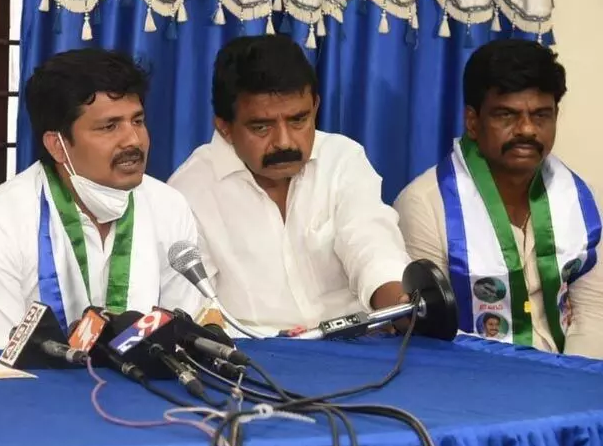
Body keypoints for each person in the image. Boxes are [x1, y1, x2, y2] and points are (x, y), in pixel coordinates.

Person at [0, 49, 205, 350]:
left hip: (143, 389)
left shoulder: (169, 206)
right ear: (57, 145)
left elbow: (181, 337)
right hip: (30, 391)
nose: (134, 141)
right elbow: (2, 358)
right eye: (110, 127)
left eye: (137, 121)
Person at [168, 35, 409, 335]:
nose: (284, 142)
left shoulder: (342, 159)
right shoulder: (189, 191)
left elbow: (372, 246)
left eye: (299, 120)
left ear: (315, 106)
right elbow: (197, 312)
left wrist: (400, 306)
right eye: (261, 127)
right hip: (255, 358)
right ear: (225, 127)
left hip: (356, 347)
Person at [395, 39, 603, 358]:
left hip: (565, 375)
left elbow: (593, 313)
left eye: (541, 115)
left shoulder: (581, 198)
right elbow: (424, 333)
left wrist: (574, 383)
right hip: (470, 384)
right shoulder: (424, 204)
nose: (527, 130)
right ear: (473, 122)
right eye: (507, 115)